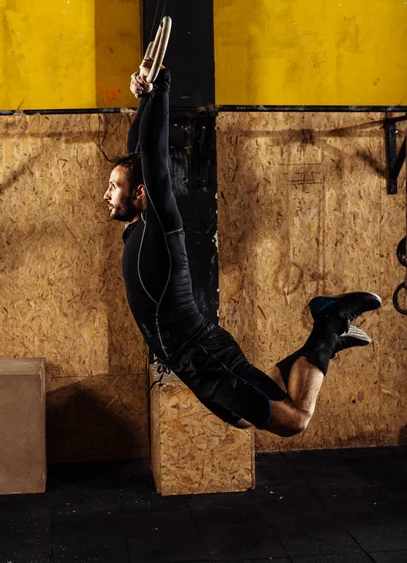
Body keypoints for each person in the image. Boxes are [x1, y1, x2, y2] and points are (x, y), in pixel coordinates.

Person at [103, 60, 381, 435]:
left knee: (293, 420)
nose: (106, 194)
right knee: (244, 416)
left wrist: (161, 86)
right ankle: (322, 341)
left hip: (202, 354)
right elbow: (138, 149)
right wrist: (143, 99)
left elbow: (152, 155)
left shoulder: (160, 225)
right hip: (190, 361)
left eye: (114, 186)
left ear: (140, 193)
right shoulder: (137, 226)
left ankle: (330, 324)